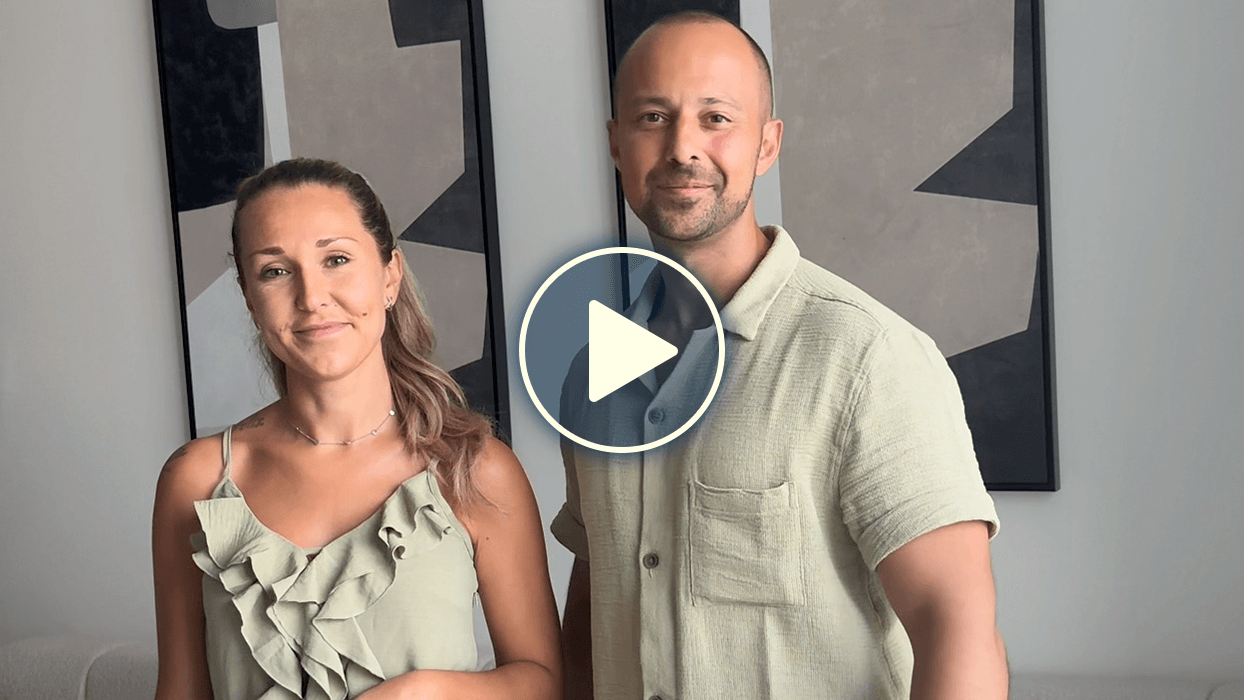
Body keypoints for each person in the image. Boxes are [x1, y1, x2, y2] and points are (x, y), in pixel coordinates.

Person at [553, 12, 1008, 700]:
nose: (682, 148)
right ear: (617, 143)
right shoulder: (591, 375)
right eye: (653, 118)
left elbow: (959, 631)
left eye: (716, 118)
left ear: (767, 144)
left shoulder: (869, 359)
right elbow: (598, 601)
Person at [152, 158, 561, 700]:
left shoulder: (475, 469)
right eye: (275, 271)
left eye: (337, 260)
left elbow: (542, 682)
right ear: (249, 297)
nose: (311, 297)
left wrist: (422, 693)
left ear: (390, 275)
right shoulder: (198, 480)